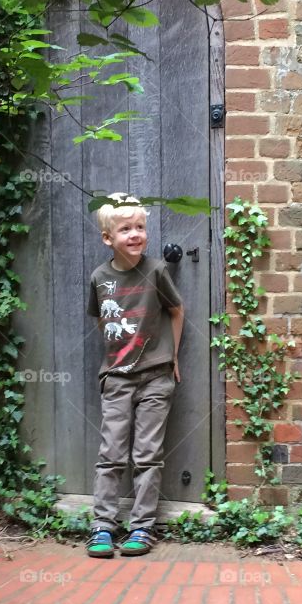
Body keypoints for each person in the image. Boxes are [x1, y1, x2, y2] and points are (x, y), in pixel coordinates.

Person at [85, 194, 184, 558]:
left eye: (140, 227)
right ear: (108, 238)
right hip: (116, 378)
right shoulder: (100, 277)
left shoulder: (156, 271)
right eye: (125, 229)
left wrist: (172, 356)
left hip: (156, 376)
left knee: (147, 454)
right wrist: (118, 356)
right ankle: (103, 527)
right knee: (111, 453)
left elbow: (176, 311)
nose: (135, 234)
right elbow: (102, 321)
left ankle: (142, 527)